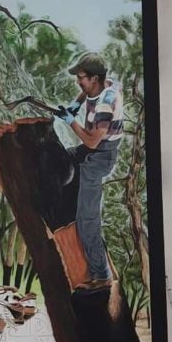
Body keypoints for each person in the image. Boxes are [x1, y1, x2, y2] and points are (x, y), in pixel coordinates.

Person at [58, 53, 123, 291]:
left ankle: (101, 274)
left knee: (87, 220)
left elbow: (93, 142)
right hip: (92, 149)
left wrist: (70, 120)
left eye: (82, 78)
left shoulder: (106, 103)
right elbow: (87, 93)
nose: (78, 82)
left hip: (100, 157)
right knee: (60, 158)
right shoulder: (105, 83)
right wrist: (75, 106)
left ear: (95, 78)